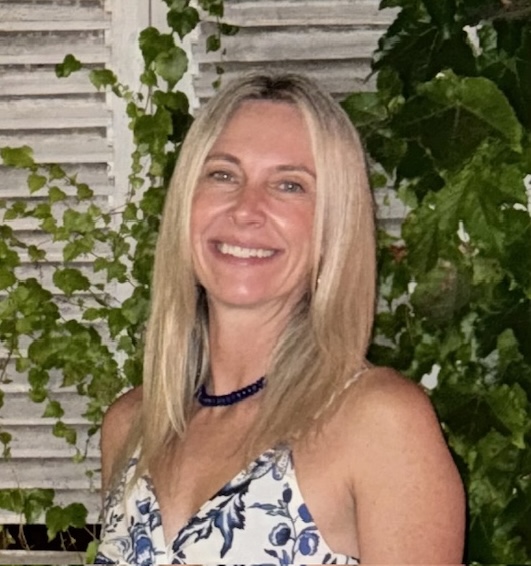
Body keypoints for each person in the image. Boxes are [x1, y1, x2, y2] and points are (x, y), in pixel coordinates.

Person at [95, 73, 465, 565]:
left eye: (290, 185)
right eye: (223, 175)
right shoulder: (132, 425)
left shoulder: (378, 422)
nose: (247, 209)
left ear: (333, 227)